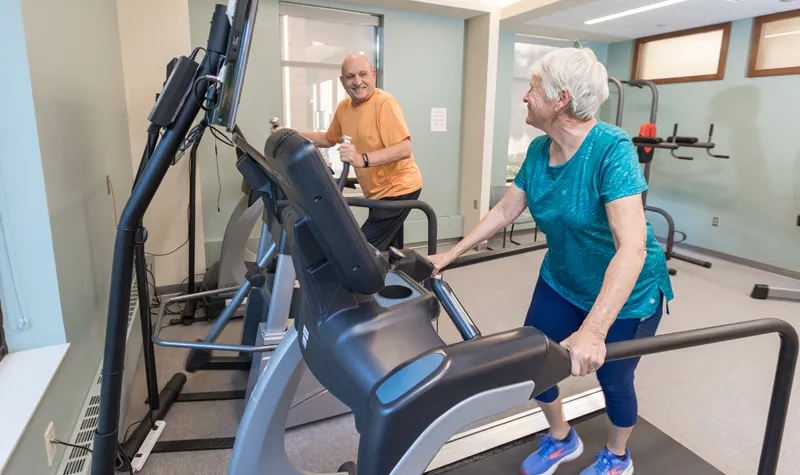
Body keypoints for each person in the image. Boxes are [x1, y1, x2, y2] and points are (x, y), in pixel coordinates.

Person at [427, 48, 674, 475]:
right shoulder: (541, 149)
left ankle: (617, 456)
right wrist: (451, 253)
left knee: (614, 380)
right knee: (536, 362)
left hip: (627, 294)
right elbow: (505, 211)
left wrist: (593, 331)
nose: (525, 96)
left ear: (560, 99)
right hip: (562, 280)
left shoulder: (611, 150)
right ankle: (562, 438)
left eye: (533, 88)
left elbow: (631, 246)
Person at [282, 53, 423, 252]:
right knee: (388, 249)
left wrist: (362, 159)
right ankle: (397, 277)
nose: (358, 82)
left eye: (363, 74)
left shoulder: (384, 103)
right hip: (377, 192)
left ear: (373, 75)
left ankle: (367, 280)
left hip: (399, 188)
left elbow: (404, 149)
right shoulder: (344, 108)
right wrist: (290, 133)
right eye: (350, 77)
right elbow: (328, 139)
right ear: (342, 81)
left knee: (359, 252)